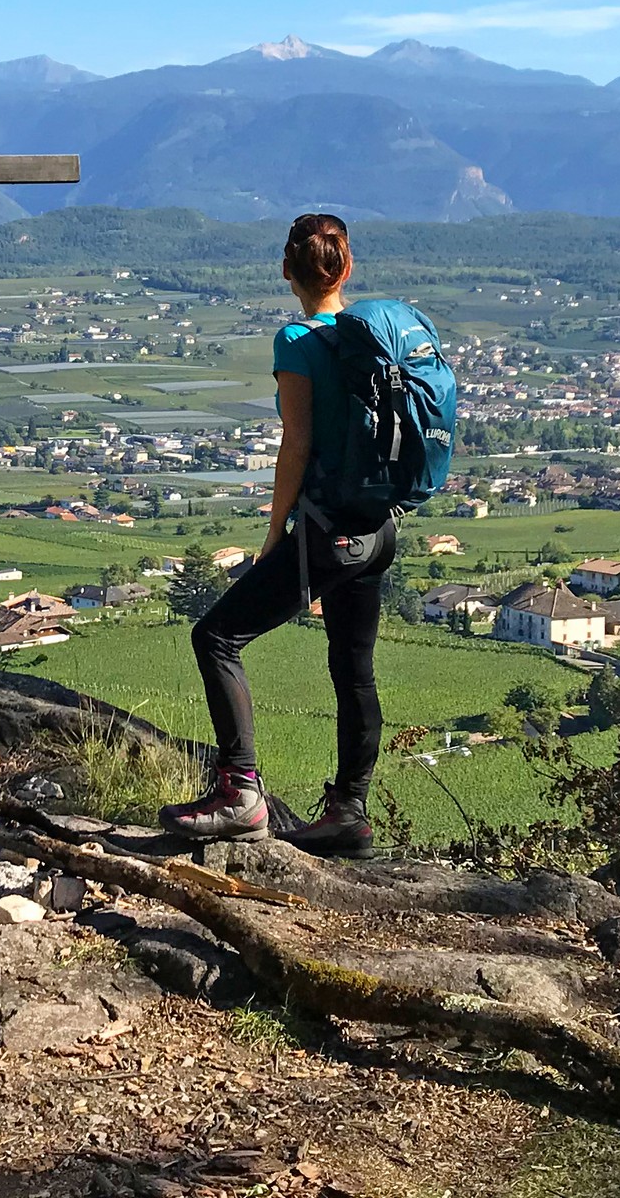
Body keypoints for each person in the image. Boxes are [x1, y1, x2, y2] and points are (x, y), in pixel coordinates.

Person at [160, 212, 396, 858]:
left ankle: (240, 793)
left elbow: (295, 445)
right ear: (346, 269)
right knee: (354, 669)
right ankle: (348, 813)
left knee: (215, 637)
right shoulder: (374, 340)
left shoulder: (296, 341)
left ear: (287, 271)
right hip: (377, 529)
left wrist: (274, 535)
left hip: (325, 531)